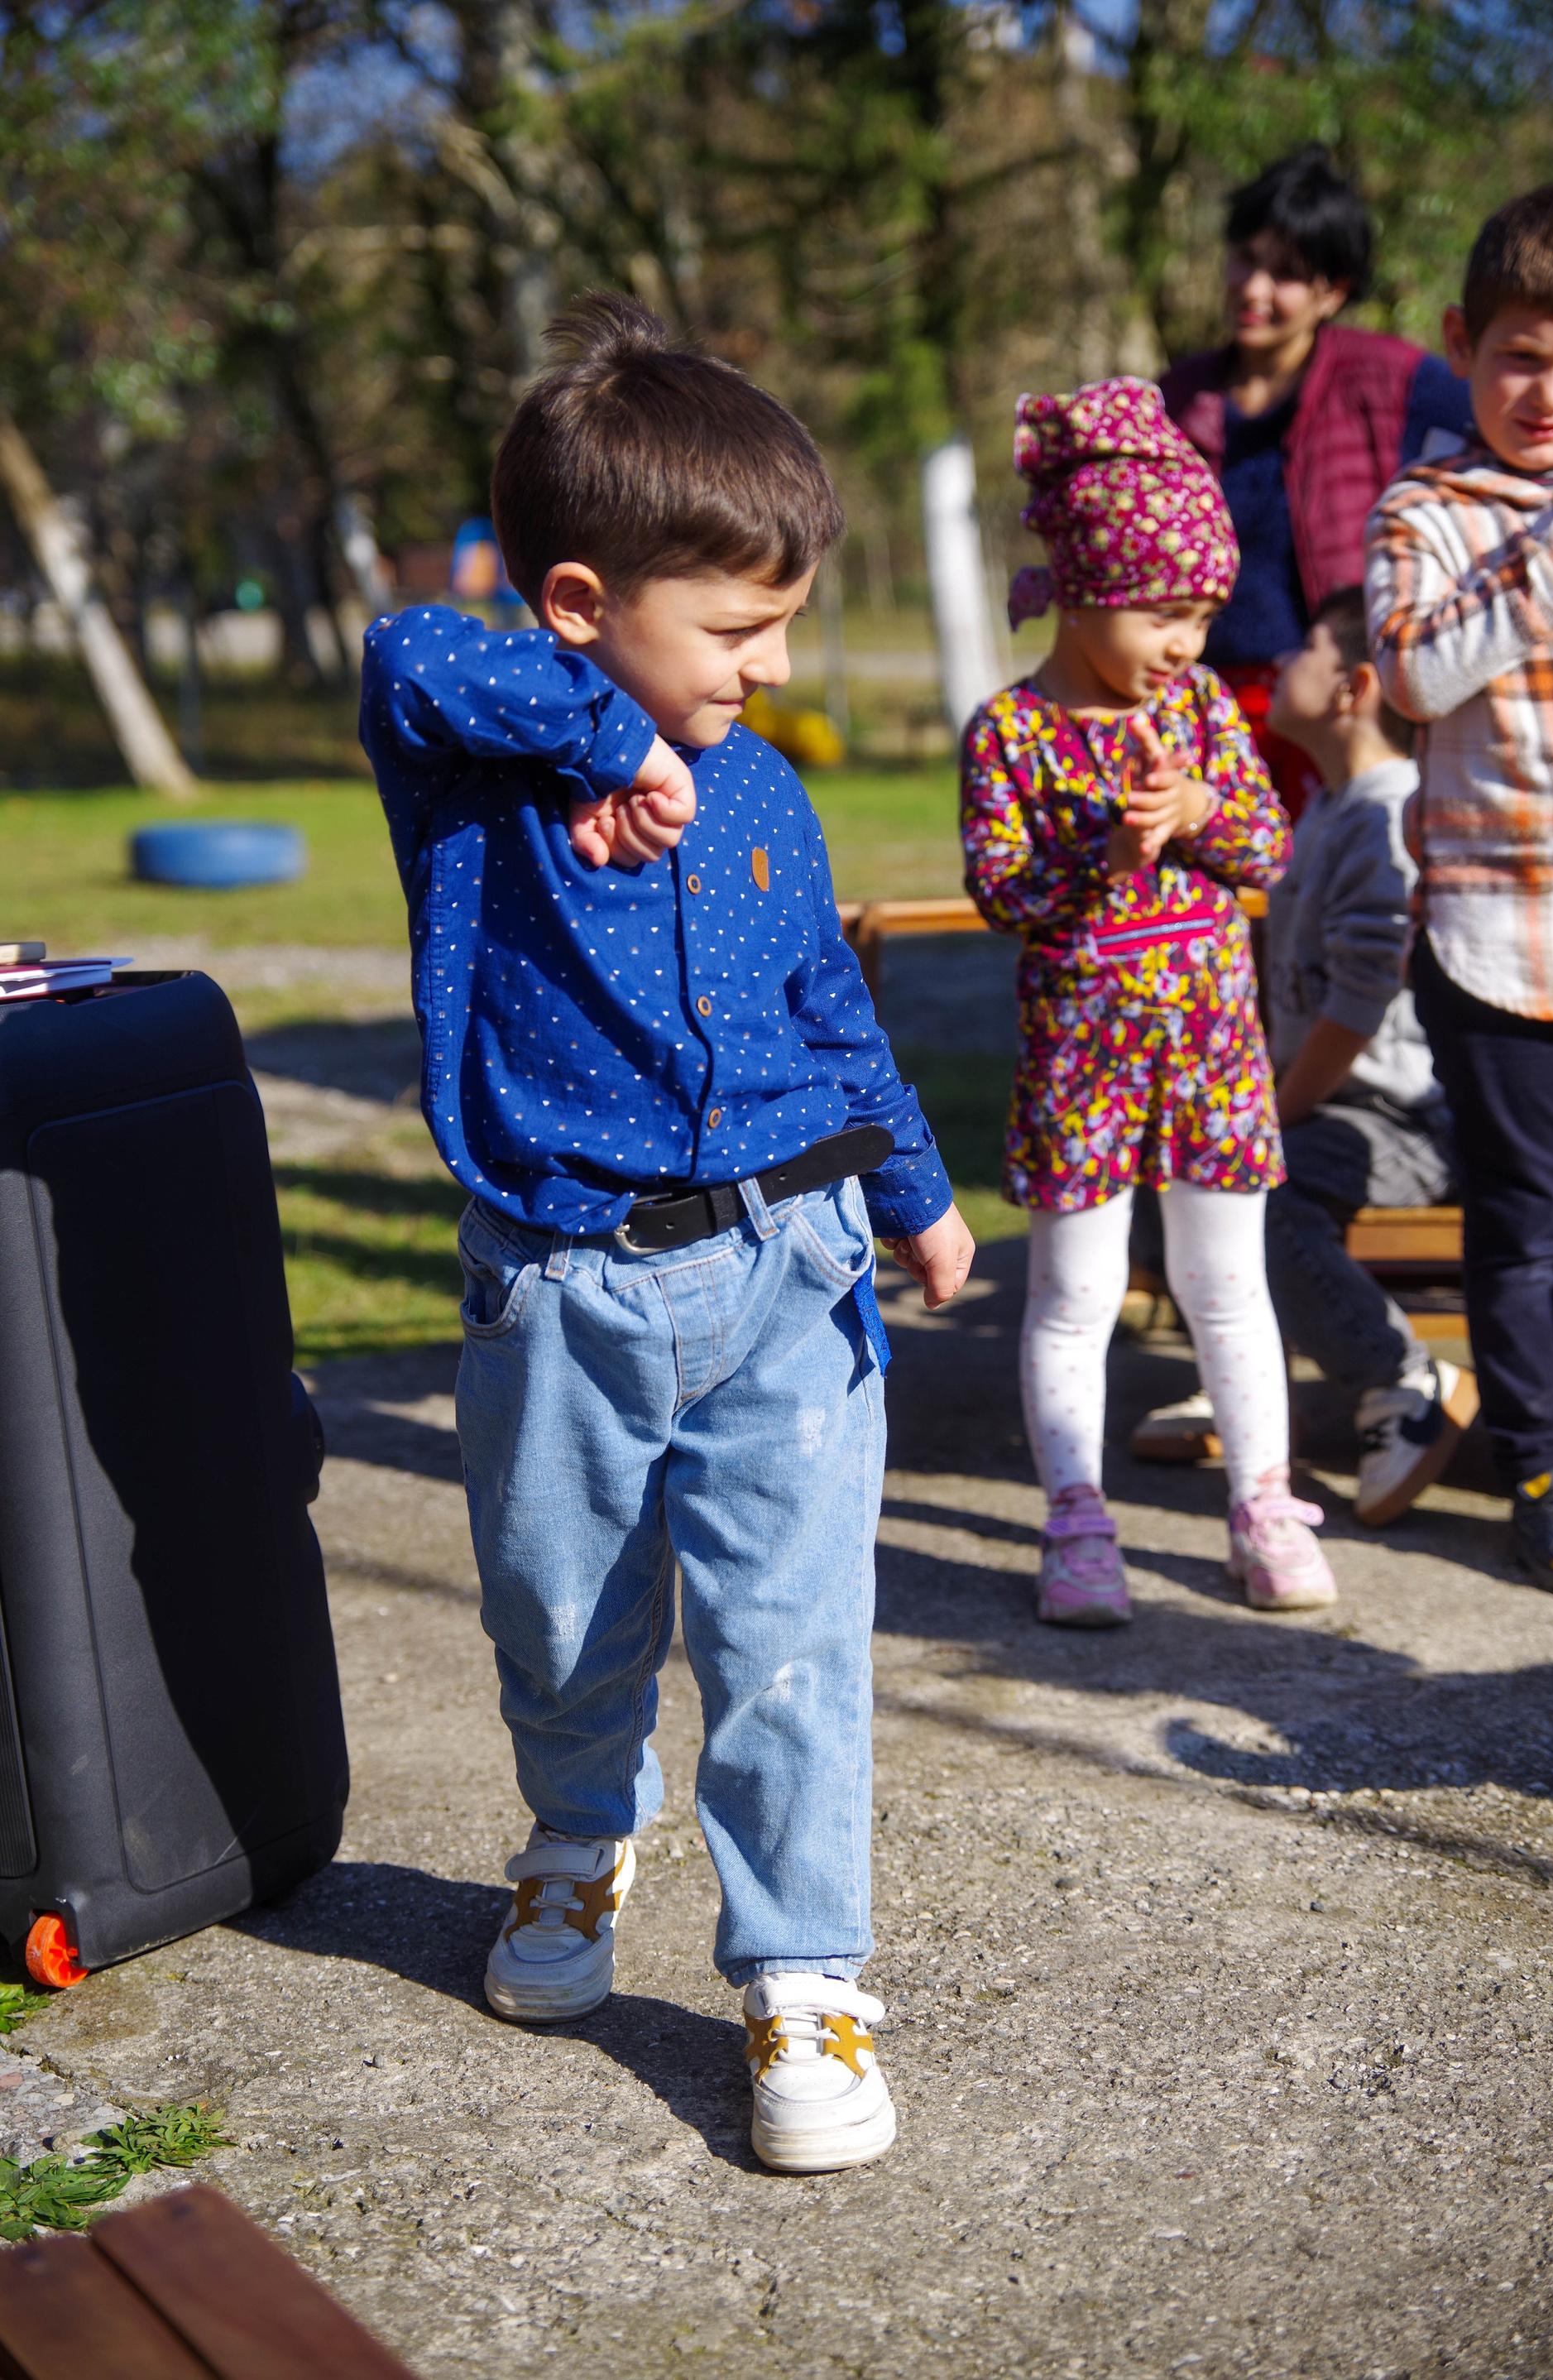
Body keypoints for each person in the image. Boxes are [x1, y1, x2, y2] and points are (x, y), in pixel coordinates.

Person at [360, 293, 975, 2173]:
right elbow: (406, 649)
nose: (771, 665)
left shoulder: (768, 786)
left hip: (792, 1269)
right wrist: (600, 738)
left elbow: (827, 1012)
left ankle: (802, 1969)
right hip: (563, 1292)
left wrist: (917, 1188)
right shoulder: (475, 774)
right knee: (561, 1618)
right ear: (578, 602)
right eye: (735, 628)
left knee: (791, 1637)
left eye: (784, 619)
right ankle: (577, 1839)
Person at [970, 377, 1336, 1624]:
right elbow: (1003, 892)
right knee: (1074, 1294)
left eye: (1203, 615)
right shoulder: (1009, 733)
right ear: (1082, 591)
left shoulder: (1201, 713)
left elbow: (1269, 850)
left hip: (1213, 1054)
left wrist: (1201, 810)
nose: (1187, 641)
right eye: (1164, 613)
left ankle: (1264, 1504)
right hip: (1082, 1064)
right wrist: (1109, 855)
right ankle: (1076, 1521)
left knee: (1228, 1285)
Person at [1367, 184, 1553, 1592]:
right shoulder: (1429, 508)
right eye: (1523, 357)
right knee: (1523, 1221)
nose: (1551, 393)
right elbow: (1412, 674)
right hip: (1500, 940)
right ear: (1462, 346)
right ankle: (1551, 1456)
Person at [1162, 146, 1472, 818]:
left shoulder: (1392, 382)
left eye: (1286, 274)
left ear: (1333, 291)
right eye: (1245, 259)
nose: (1254, 289)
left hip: (1335, 709)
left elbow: (1514, 424)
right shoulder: (1174, 400)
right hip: (1200, 709)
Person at [1262, 587, 1477, 1522]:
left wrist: (1269, 1117)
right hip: (1338, 1104)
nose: (1279, 663)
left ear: (1352, 687)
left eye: (1303, 648)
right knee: (1186, 1177)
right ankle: (1247, 1389)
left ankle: (1402, 1383)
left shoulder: (1387, 813)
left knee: (1258, 1188)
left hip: (1404, 1118)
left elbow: (1356, 1009)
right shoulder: (1329, 804)